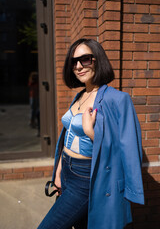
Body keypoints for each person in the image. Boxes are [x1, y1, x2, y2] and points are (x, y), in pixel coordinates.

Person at [37, 38, 144, 229]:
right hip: (68, 172)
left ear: (97, 60)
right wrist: (59, 172)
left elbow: (128, 151)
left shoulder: (118, 100)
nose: (78, 66)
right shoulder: (80, 95)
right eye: (73, 62)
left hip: (87, 177)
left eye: (84, 59)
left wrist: (91, 132)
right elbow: (68, 136)